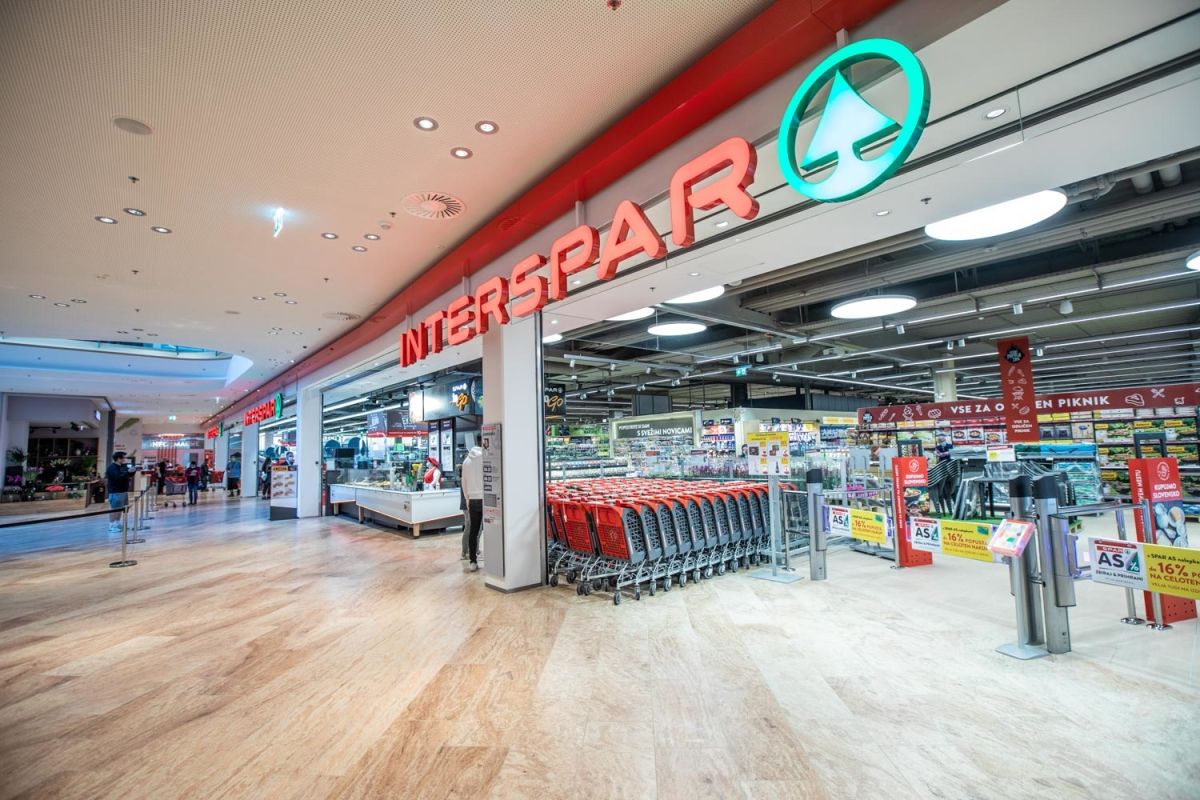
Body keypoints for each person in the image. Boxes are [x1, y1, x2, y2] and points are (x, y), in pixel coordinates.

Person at [460, 437, 484, 572]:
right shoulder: (486, 458)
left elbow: (463, 483)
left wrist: (467, 499)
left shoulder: (466, 461)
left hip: (473, 499)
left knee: (473, 531)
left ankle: (473, 561)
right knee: (492, 529)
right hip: (487, 499)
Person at [105, 451, 131, 533]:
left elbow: (126, 475)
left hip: (123, 491)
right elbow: (118, 477)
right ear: (118, 458)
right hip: (115, 491)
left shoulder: (122, 466)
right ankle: (111, 525)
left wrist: (132, 472)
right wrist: (128, 472)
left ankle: (117, 523)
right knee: (114, 509)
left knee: (120, 509)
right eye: (123, 458)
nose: (124, 459)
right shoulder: (112, 467)